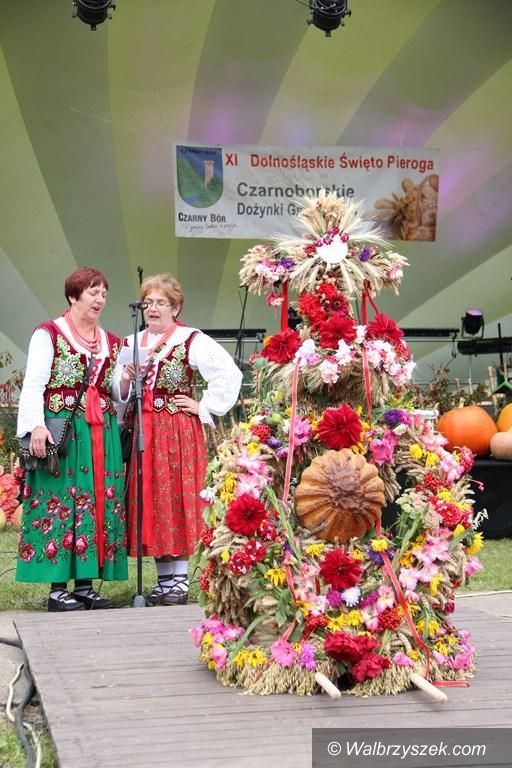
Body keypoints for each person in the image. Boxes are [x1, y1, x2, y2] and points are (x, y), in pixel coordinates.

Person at [113, 273, 242, 605]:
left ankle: (180, 580)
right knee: (151, 497)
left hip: (177, 429)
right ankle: (164, 579)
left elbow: (228, 372)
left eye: (161, 303)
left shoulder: (190, 339)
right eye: (148, 303)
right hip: (144, 428)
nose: (153, 309)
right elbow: (117, 393)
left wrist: (204, 406)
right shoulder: (131, 343)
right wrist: (125, 379)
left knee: (177, 493)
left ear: (176, 307)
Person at [16, 267, 128, 611]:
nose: (100, 299)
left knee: (97, 500)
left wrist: (125, 379)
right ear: (72, 296)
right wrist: (36, 426)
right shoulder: (49, 334)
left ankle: (84, 585)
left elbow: (115, 393)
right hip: (62, 429)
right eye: (93, 292)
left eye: (104, 294)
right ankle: (56, 589)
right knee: (60, 500)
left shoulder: (112, 341)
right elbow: (34, 384)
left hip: (100, 431)